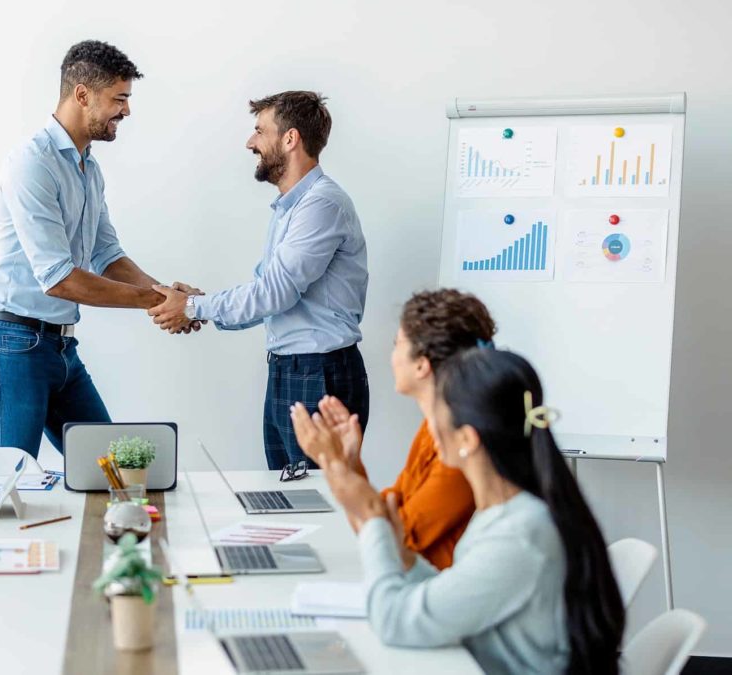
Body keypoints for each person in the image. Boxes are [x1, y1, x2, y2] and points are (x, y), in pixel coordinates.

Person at [292, 348, 625, 675]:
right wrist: (403, 557)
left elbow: (393, 621)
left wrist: (369, 514)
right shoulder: (504, 511)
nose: (429, 426)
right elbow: (455, 594)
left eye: (436, 413)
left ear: (467, 437)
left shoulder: (521, 534)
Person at [0, 39, 200, 458]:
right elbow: (59, 279)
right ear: (82, 95)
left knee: (110, 467)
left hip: (59, 347)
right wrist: (159, 301)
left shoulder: (88, 168)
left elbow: (107, 254)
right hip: (8, 345)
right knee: (5, 483)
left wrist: (165, 294)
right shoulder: (32, 162)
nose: (126, 111)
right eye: (119, 98)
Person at [149, 91, 369, 471]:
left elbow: (274, 293)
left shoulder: (321, 205)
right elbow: (266, 293)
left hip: (318, 374)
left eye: (258, 131)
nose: (250, 142)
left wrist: (191, 307)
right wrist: (199, 305)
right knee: (286, 498)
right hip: (291, 370)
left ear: (290, 139)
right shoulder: (291, 208)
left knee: (316, 501)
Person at [295, 289, 494, 569]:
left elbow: (390, 545)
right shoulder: (430, 429)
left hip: (433, 595)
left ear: (422, 365)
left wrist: (332, 462)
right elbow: (384, 516)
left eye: (397, 344)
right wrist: (349, 461)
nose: (392, 356)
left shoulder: (463, 446)